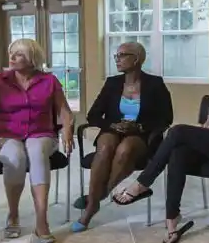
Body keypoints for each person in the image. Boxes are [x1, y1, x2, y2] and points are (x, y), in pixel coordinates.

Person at [114, 40, 209, 243]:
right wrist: (202, 132)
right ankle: (172, 221)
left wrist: (202, 133)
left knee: (178, 132)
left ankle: (142, 183)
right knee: (178, 152)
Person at [0, 38, 74, 243]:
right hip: (6, 135)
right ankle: (13, 214)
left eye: (19, 54)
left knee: (36, 150)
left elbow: (64, 110)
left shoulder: (49, 81)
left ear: (32, 59)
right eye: (12, 53)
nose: (12, 57)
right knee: (17, 156)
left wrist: (67, 128)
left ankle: (41, 220)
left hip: (42, 134)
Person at [73, 41, 173, 232]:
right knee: (104, 148)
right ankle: (94, 204)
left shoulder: (155, 84)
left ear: (136, 59)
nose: (117, 60)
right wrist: (112, 125)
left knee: (125, 150)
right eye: (116, 56)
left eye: (122, 55)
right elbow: (93, 115)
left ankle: (97, 198)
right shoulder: (112, 83)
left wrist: (140, 125)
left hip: (141, 134)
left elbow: (166, 118)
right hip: (112, 130)